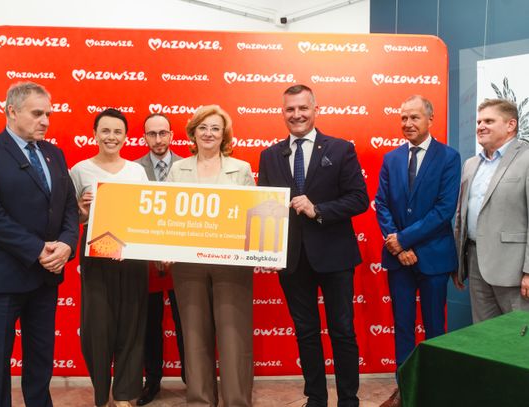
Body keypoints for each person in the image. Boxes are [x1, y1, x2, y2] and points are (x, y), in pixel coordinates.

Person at [258, 84, 368, 407]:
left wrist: (318, 209)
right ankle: (316, 398)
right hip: (292, 260)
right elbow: (266, 207)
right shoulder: (269, 155)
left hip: (335, 257)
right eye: (290, 109)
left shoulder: (341, 149)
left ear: (315, 109)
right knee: (306, 332)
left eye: (303, 108)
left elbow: (359, 199)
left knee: (342, 331)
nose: (297, 115)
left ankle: (348, 399)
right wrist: (267, 250)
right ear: (283, 113)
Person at [0, 81, 79, 407]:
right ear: (11, 111)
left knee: (41, 359)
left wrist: (67, 244)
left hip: (45, 277)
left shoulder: (54, 153)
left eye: (48, 114)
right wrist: (38, 249)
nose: (45, 121)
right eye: (37, 113)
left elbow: (69, 207)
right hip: (2, 278)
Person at [375, 95, 461, 407]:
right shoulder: (391, 159)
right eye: (403, 118)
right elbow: (381, 204)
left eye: (414, 117)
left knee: (435, 327)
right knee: (402, 327)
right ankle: (406, 389)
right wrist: (398, 247)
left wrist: (403, 239)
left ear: (430, 119)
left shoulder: (449, 157)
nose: (408, 123)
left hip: (434, 257)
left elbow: (444, 210)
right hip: (399, 259)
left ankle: (434, 390)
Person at [168, 105, 255, 407]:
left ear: (224, 135)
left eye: (215, 128)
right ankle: (200, 401)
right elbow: (167, 217)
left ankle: (237, 401)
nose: (208, 133)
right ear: (193, 133)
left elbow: (253, 216)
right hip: (188, 263)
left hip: (232, 264)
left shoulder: (241, 169)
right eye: (203, 128)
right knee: (194, 334)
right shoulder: (177, 169)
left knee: (234, 335)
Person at [70, 108, 149, 407]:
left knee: (132, 324)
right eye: (105, 131)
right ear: (94, 134)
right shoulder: (79, 170)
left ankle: (125, 395)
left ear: (126, 137)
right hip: (97, 255)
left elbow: (147, 215)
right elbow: (71, 217)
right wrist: (82, 210)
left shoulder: (136, 171)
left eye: (117, 132)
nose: (111, 137)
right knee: (97, 327)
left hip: (133, 255)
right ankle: (102, 396)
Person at [453, 98, 529, 322]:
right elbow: (461, 217)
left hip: (514, 271)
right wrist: (460, 264)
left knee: (519, 336)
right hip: (476, 265)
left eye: (488, 121)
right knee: (484, 336)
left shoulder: (526, 158)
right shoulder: (470, 164)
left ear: (511, 125)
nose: (480, 126)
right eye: (478, 122)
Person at [135, 113, 185, 406]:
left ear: (171, 135)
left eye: (162, 133)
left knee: (187, 322)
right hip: (146, 261)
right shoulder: (133, 169)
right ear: (144, 137)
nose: (158, 139)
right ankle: (152, 380)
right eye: (152, 134)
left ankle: (194, 379)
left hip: (183, 261)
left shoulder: (188, 166)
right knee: (149, 324)